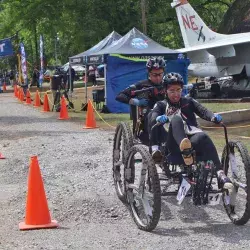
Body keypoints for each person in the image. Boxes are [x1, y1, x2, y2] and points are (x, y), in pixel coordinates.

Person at [148, 72, 233, 190]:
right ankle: (185, 148)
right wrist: (157, 118)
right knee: (176, 119)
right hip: (172, 145)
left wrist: (213, 116)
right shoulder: (161, 105)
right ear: (165, 91)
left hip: (191, 139)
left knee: (203, 136)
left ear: (182, 89)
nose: (176, 94)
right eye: (172, 91)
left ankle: (220, 174)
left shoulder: (188, 101)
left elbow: (203, 111)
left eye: (178, 90)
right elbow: (153, 116)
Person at [115, 57, 166, 144]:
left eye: (160, 74)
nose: (158, 78)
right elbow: (120, 96)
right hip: (146, 118)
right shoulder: (141, 85)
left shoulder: (167, 84)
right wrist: (134, 101)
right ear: (149, 73)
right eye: (154, 75)